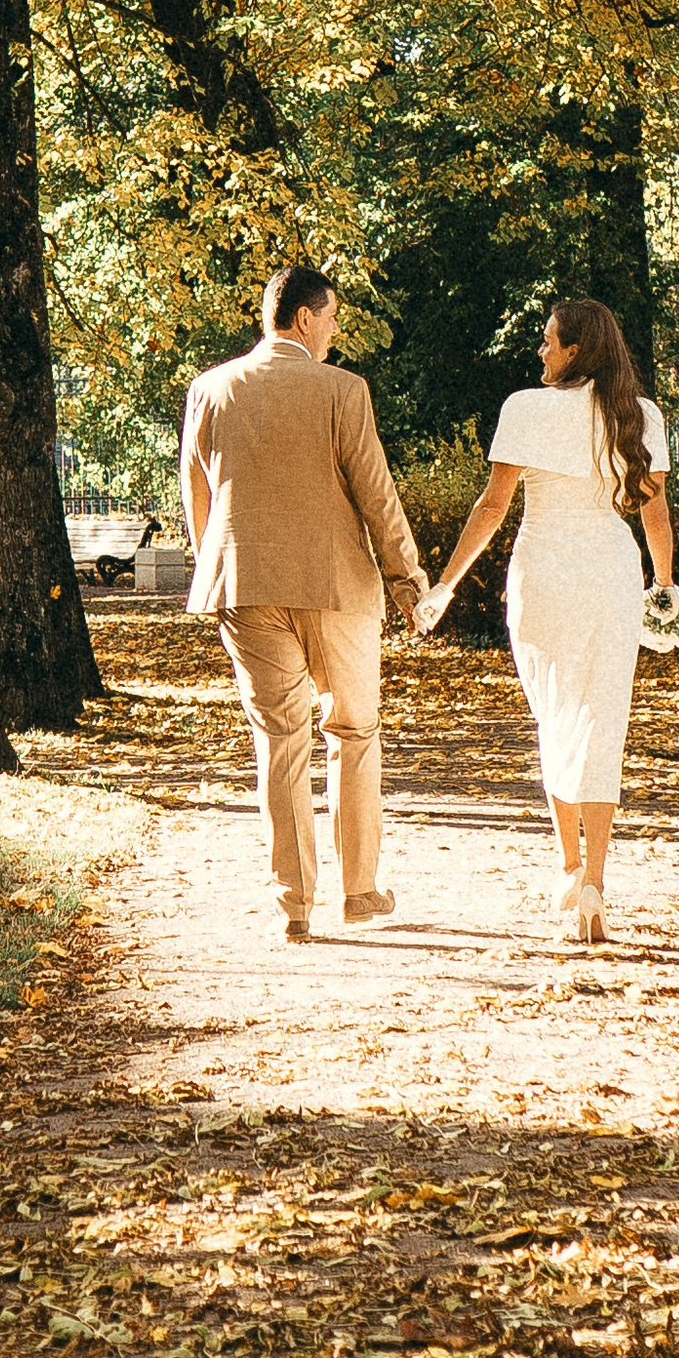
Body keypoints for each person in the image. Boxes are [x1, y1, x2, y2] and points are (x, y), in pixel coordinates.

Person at [420, 296, 679, 943]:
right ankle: (594, 881)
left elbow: (492, 508)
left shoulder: (525, 408)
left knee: (556, 717)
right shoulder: (641, 415)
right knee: (602, 719)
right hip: (610, 573)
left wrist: (445, 585)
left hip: (541, 573)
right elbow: (654, 516)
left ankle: (570, 867)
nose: (540, 350)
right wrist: (663, 586)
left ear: (575, 350)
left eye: (548, 341)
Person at [182, 260, 427, 942]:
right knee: (354, 730)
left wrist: (218, 568)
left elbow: (198, 495)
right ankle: (360, 890)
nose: (335, 331)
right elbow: (376, 493)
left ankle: (294, 903)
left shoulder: (209, 390)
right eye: (332, 318)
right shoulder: (343, 390)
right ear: (303, 318)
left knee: (280, 740)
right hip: (336, 585)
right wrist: (407, 581)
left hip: (245, 585)